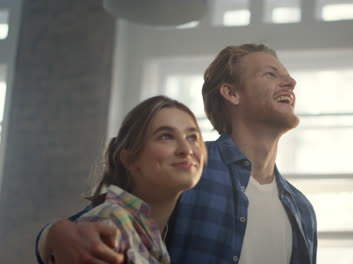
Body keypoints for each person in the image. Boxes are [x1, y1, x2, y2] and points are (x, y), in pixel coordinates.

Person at [36, 43, 317, 264]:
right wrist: (52, 236)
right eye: (271, 74)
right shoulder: (188, 167)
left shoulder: (303, 210)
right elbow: (84, 231)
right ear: (231, 93)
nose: (290, 81)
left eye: (286, 75)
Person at [40, 95, 207, 263]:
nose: (186, 150)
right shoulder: (109, 227)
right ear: (130, 160)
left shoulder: (150, 233)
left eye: (192, 137)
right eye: (166, 136)